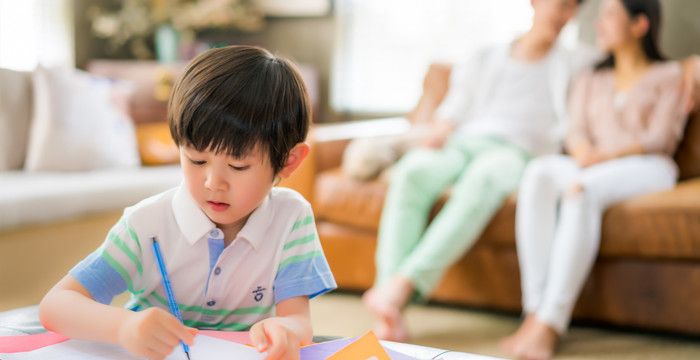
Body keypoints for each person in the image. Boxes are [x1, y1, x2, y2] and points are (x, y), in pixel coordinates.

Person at [38, 45, 337, 360]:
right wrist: (124, 327)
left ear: (288, 162)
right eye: (196, 160)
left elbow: (298, 321)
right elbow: (56, 305)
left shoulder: (291, 218)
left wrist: (285, 331)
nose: (213, 183)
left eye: (237, 167)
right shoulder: (146, 223)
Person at [362, 0, 595, 341]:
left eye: (572, 9)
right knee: (412, 172)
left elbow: (630, 61)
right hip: (463, 142)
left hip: (516, 153)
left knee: (482, 181)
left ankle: (401, 286)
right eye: (560, 5)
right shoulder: (487, 56)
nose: (565, 16)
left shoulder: (576, 62)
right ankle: (389, 303)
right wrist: (440, 129)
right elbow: (454, 108)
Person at [502, 1, 691, 359]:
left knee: (580, 190)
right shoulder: (591, 76)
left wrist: (603, 157)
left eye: (609, 16)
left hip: (647, 166)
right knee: (539, 172)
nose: (598, 24)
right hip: (591, 162)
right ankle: (533, 310)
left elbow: (660, 138)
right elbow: (574, 129)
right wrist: (583, 151)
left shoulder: (668, 76)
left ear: (639, 25)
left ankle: (550, 324)